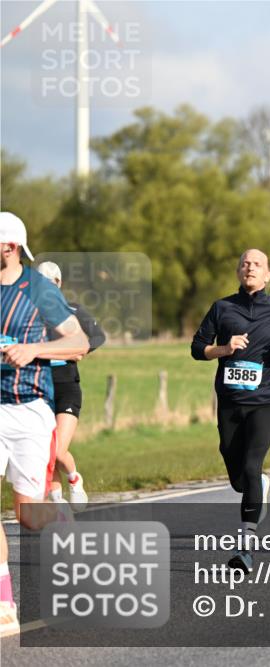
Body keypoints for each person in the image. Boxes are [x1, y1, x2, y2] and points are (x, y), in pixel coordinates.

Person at [1, 212, 88, 637]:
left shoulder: (37, 289)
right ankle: (4, 601)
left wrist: (31, 349)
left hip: (30, 409)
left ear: (9, 248)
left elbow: (79, 343)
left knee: (29, 515)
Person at [191, 249, 270, 572]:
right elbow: (197, 348)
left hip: (265, 400)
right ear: (239, 271)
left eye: (257, 264)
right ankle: (257, 487)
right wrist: (224, 349)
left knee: (253, 465)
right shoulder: (222, 307)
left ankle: (245, 547)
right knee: (238, 476)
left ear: (268, 275)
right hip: (229, 401)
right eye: (245, 263)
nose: (250, 267)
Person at [36, 261, 107, 509]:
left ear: (59, 284)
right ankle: (58, 504)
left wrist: (78, 350)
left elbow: (99, 336)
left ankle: (74, 479)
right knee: (45, 451)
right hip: (38, 388)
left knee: (56, 451)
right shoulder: (29, 313)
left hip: (67, 386)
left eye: (51, 283)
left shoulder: (73, 310)